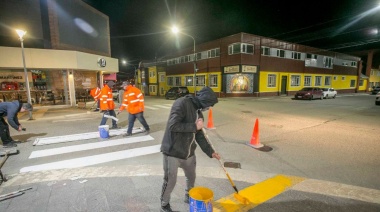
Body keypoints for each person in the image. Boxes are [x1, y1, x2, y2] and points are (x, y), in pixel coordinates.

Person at [159, 86, 221, 212]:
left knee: (191, 177)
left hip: (189, 152)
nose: (209, 108)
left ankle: (189, 196)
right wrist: (194, 126)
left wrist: (211, 152)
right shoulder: (181, 103)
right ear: (203, 101)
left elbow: (199, 135)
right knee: (170, 181)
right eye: (209, 105)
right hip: (173, 151)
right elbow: (173, 125)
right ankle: (164, 204)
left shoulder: (198, 113)